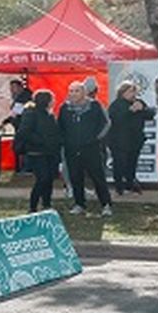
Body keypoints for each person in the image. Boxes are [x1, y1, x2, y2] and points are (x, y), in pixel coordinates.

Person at [59, 82, 114, 216]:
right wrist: (64, 141)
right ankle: (79, 204)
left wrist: (96, 138)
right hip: (71, 149)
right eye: (71, 91)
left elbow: (106, 123)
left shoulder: (94, 106)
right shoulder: (65, 108)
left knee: (98, 177)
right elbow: (60, 126)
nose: (73, 94)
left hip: (91, 148)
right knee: (75, 177)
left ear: (83, 92)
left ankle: (106, 204)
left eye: (76, 91)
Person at [15, 89, 63, 211]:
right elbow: (24, 132)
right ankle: (33, 205)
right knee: (42, 179)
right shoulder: (31, 113)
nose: (54, 102)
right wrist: (41, 141)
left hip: (49, 152)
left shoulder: (49, 115)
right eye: (52, 100)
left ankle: (47, 203)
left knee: (49, 179)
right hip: (37, 152)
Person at [106, 81, 155, 194]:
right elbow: (114, 119)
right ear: (122, 92)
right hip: (119, 141)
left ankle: (130, 184)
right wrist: (130, 111)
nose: (133, 94)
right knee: (119, 164)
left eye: (134, 91)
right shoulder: (116, 105)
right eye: (130, 91)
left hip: (135, 140)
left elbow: (151, 114)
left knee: (132, 163)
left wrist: (142, 109)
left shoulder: (139, 102)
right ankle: (119, 187)